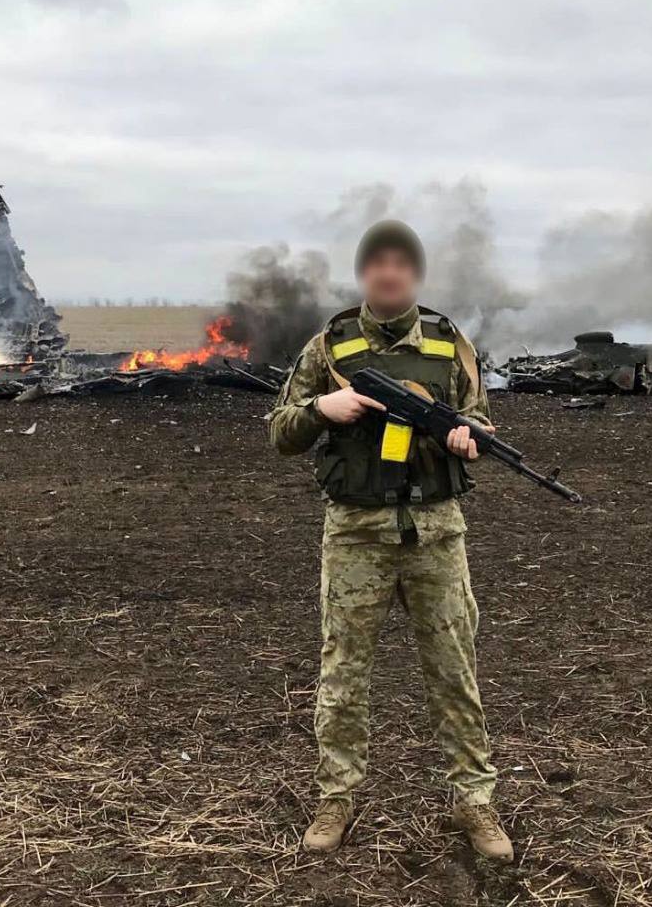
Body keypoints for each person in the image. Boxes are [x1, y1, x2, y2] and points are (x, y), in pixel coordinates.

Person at [268, 220, 513, 859]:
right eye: (377, 262)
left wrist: (468, 437)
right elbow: (280, 429)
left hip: (436, 532)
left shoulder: (449, 341)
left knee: (454, 671)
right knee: (343, 672)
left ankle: (475, 804)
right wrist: (324, 410)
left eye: (401, 263)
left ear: (415, 274)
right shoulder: (330, 346)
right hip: (356, 533)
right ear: (364, 274)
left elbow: (479, 416)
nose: (389, 272)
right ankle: (336, 799)